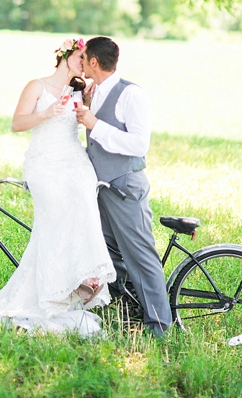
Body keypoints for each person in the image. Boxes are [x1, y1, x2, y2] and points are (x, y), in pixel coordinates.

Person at [0, 37, 116, 335]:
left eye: (88, 62)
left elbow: (89, 123)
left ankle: (80, 283)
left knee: (84, 209)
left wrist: (88, 102)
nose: (85, 65)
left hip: (75, 160)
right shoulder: (37, 86)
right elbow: (17, 123)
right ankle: (50, 291)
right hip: (44, 161)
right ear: (67, 56)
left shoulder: (80, 90)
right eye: (82, 58)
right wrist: (46, 113)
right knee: (54, 220)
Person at [75, 36, 172, 337]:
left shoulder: (131, 95)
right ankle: (126, 306)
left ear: (94, 62)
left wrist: (94, 124)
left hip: (125, 186)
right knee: (109, 249)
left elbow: (139, 144)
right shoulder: (97, 91)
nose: (81, 64)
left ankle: (159, 326)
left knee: (140, 255)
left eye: (84, 59)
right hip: (103, 187)